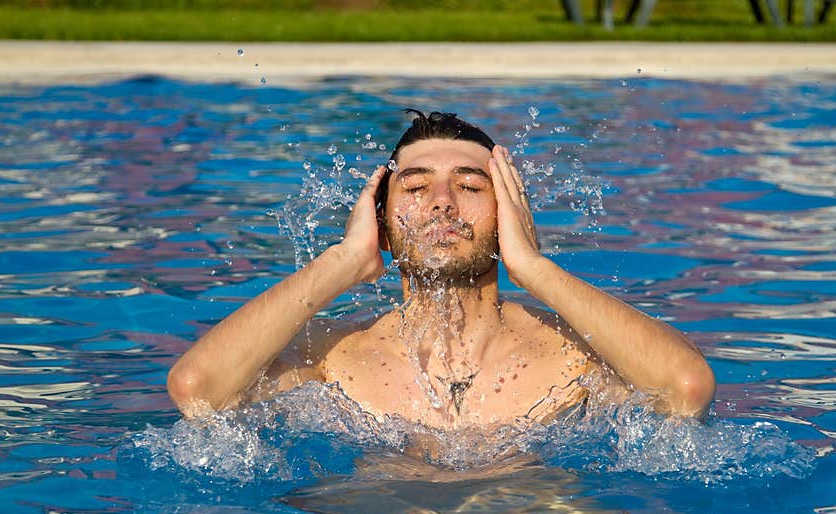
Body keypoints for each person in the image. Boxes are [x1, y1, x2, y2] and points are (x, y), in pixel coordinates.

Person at [167, 109, 716, 430]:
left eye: (473, 186)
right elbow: (198, 392)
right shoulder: (333, 356)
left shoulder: (572, 354)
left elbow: (686, 390)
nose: (442, 202)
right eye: (414, 186)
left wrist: (533, 267)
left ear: (509, 214)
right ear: (382, 220)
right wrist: (343, 261)